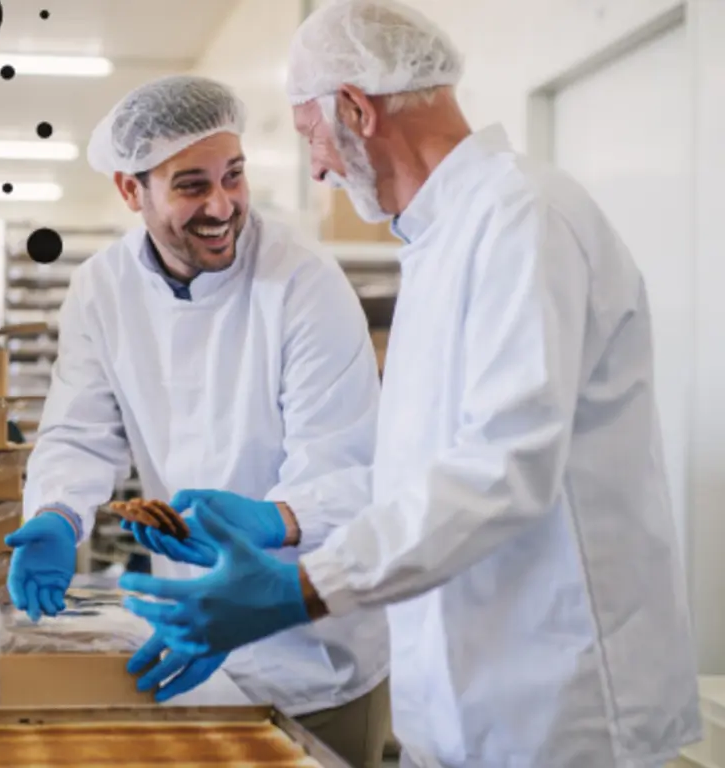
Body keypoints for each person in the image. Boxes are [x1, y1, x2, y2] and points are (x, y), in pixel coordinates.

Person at [116, 3, 704, 768]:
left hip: (558, 712)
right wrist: (282, 522)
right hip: (460, 708)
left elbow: (502, 469)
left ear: (356, 109)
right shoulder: (439, 240)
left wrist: (300, 589)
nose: (319, 167)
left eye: (310, 137)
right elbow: (417, 475)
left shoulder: (522, 217)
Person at [4, 74, 394, 767]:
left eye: (234, 176)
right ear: (132, 191)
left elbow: (346, 465)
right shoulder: (102, 288)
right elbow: (79, 429)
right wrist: (59, 512)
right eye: (191, 185)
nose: (222, 205)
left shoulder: (305, 284)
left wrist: (271, 520)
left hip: (315, 652)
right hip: (192, 638)